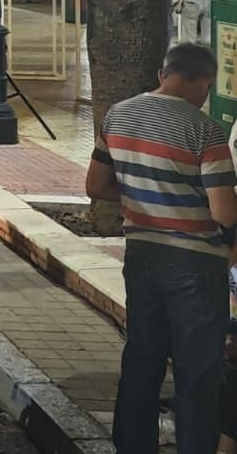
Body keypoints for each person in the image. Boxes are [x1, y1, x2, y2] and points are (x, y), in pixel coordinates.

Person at [88, 42, 237, 454]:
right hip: (196, 265)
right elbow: (224, 212)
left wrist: (145, 197)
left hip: (142, 256)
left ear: (162, 74)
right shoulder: (205, 130)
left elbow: (96, 185)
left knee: (142, 361)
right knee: (197, 374)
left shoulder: (118, 114)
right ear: (205, 83)